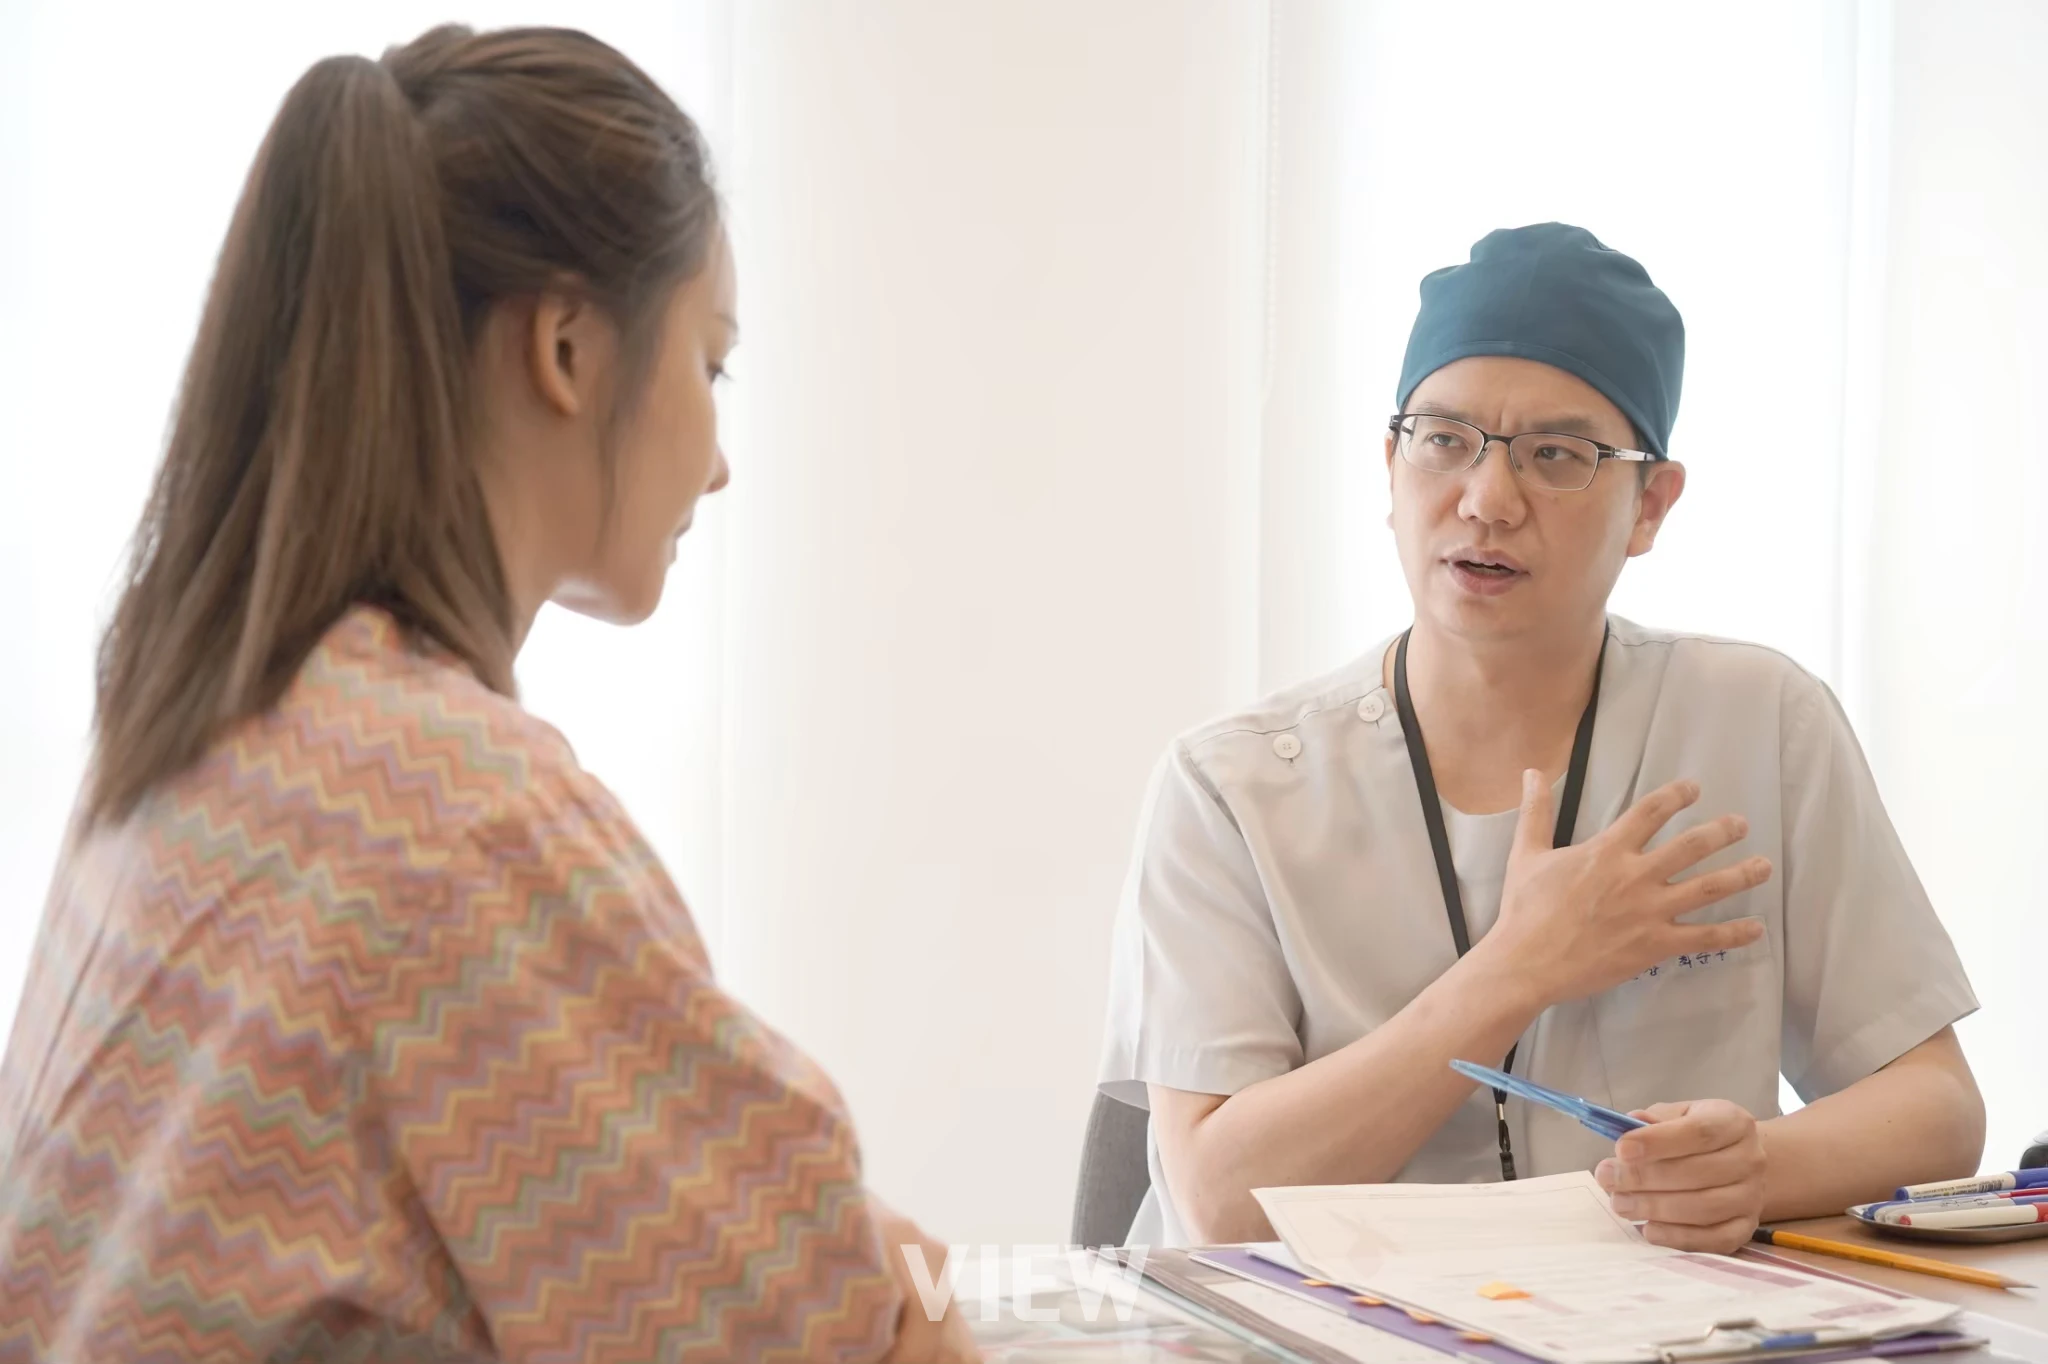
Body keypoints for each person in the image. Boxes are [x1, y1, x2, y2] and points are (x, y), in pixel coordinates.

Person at [0, 26, 976, 1364]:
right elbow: (851, 1336)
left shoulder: (204, 729)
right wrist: (901, 1287)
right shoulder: (452, 822)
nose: (721, 463)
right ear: (569, 349)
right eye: (711, 361)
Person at [1097, 223, 1984, 1252]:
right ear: (1390, 467)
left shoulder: (1759, 722)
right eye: (1443, 439)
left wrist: (1755, 1166)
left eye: (1557, 456)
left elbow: (1934, 1104)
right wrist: (1516, 968)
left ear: (1649, 503)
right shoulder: (1228, 784)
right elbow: (1215, 1201)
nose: (1485, 498)